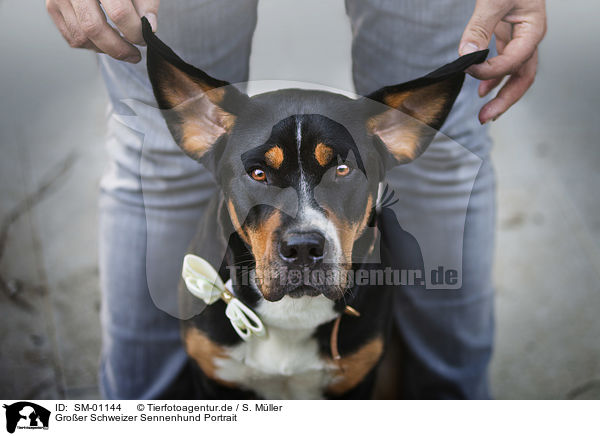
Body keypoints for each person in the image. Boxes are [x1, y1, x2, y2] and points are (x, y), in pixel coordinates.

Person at [45, 0, 546, 399]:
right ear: (203, 129)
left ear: (399, 132)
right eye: (260, 173)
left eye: (341, 171)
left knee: (445, 169)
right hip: (225, 317)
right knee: (158, 162)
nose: (304, 231)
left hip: (351, 335)